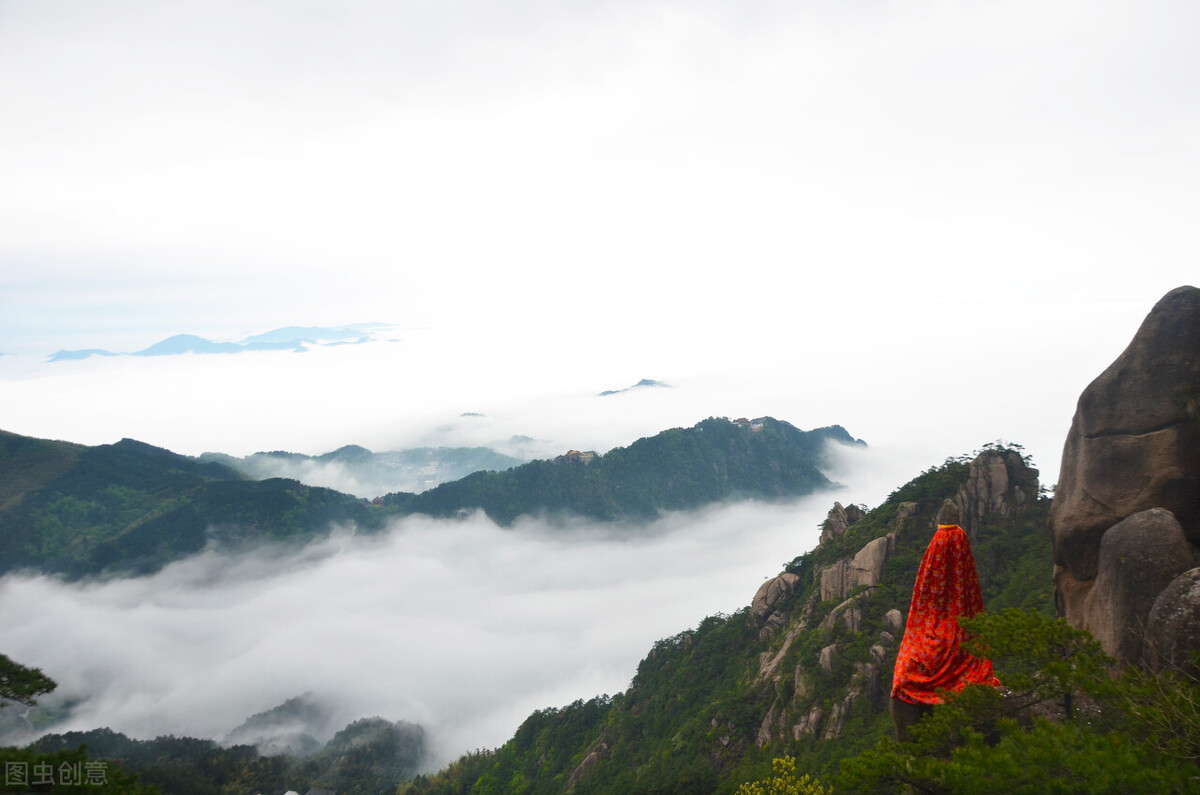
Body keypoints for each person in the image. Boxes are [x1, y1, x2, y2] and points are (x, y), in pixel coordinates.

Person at [890, 500, 999, 741]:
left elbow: (923, 602)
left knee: (905, 674)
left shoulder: (938, 547)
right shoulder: (960, 542)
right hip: (960, 635)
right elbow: (969, 597)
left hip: (938, 634)